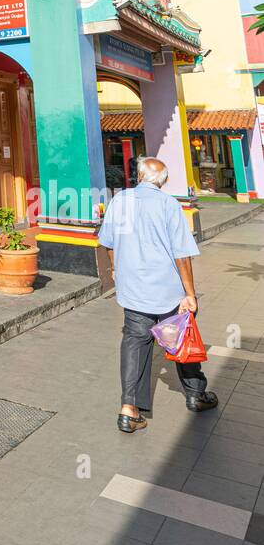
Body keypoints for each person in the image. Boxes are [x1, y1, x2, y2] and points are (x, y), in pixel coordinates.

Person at [98, 155, 217, 434]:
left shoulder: (120, 201)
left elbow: (108, 242)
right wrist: (190, 293)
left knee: (135, 343)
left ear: (139, 176)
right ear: (163, 182)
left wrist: (115, 269)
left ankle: (129, 409)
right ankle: (195, 393)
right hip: (167, 289)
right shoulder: (168, 204)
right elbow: (182, 255)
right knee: (179, 338)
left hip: (134, 288)